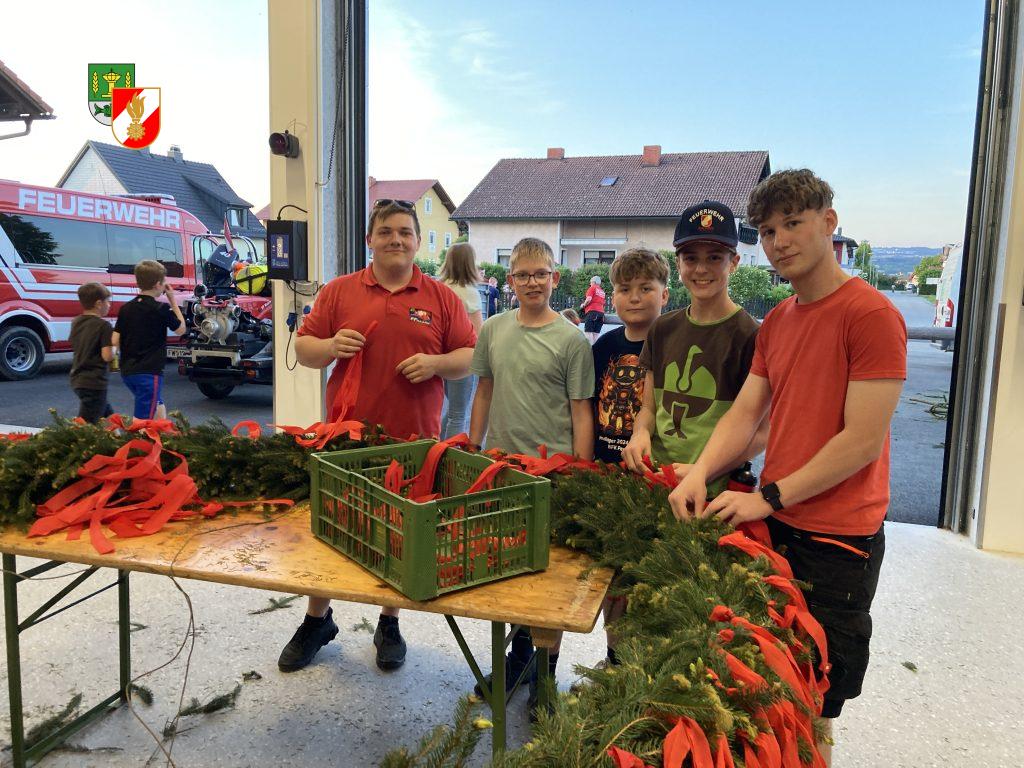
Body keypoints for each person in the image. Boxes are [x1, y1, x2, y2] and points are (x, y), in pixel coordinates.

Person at [669, 170, 907, 767]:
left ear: (829, 222)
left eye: (793, 224)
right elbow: (745, 412)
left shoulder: (871, 315)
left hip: (837, 539)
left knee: (817, 698)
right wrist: (700, 470)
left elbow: (861, 441)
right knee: (769, 690)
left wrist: (767, 497)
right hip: (778, 528)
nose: (779, 242)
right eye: (769, 231)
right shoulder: (778, 320)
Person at [280, 199, 476, 674]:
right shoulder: (339, 292)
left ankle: (389, 622)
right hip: (345, 439)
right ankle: (317, 620)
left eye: (405, 232)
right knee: (333, 527)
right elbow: (303, 349)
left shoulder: (441, 298)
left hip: (414, 442)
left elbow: (470, 355)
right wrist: (330, 346)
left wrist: (436, 363)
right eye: (386, 231)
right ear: (370, 239)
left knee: (399, 535)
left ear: (418, 242)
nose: (396, 239)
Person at [468, 236, 594, 715]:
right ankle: (517, 660)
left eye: (541, 273)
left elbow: (581, 411)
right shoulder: (493, 330)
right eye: (523, 275)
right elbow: (484, 391)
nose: (532, 282)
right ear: (511, 281)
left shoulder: (571, 340)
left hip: (552, 474)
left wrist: (581, 472)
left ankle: (546, 671)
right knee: (508, 570)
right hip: (502, 470)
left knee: (550, 579)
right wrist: (473, 448)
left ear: (555, 278)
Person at [621, 201, 765, 500]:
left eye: (714, 257)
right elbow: (649, 408)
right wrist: (640, 433)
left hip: (712, 492)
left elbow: (763, 431)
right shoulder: (662, 329)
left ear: (734, 262)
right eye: (690, 258)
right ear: (678, 264)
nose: (701, 268)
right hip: (653, 480)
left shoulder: (751, 336)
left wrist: (704, 469)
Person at [112, 260, 186, 420]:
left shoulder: (126, 308)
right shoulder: (161, 309)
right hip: (149, 373)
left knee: (157, 404)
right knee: (143, 420)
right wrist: (173, 301)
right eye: (164, 282)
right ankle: (143, 435)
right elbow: (181, 329)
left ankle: (162, 431)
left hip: (128, 371)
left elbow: (115, 339)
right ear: (158, 284)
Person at [439, 242, 484, 438]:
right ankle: (448, 454)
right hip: (463, 359)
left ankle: (438, 447)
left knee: (451, 411)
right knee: (459, 415)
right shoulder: (469, 293)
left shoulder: (440, 288)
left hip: (441, 358)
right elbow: (478, 334)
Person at [69, 282, 116, 423]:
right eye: (108, 302)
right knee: (87, 423)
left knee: (107, 413)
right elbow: (107, 356)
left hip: (78, 377)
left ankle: (116, 434)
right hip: (94, 381)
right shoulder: (104, 326)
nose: (109, 305)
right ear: (98, 304)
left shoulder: (76, 322)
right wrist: (115, 347)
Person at [580, 274, 606, 343]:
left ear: (593, 282)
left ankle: (590, 349)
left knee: (588, 333)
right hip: (601, 314)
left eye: (590, 282)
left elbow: (588, 299)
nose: (590, 284)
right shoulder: (602, 292)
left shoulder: (592, 288)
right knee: (596, 334)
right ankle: (596, 348)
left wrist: (583, 305)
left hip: (592, 312)